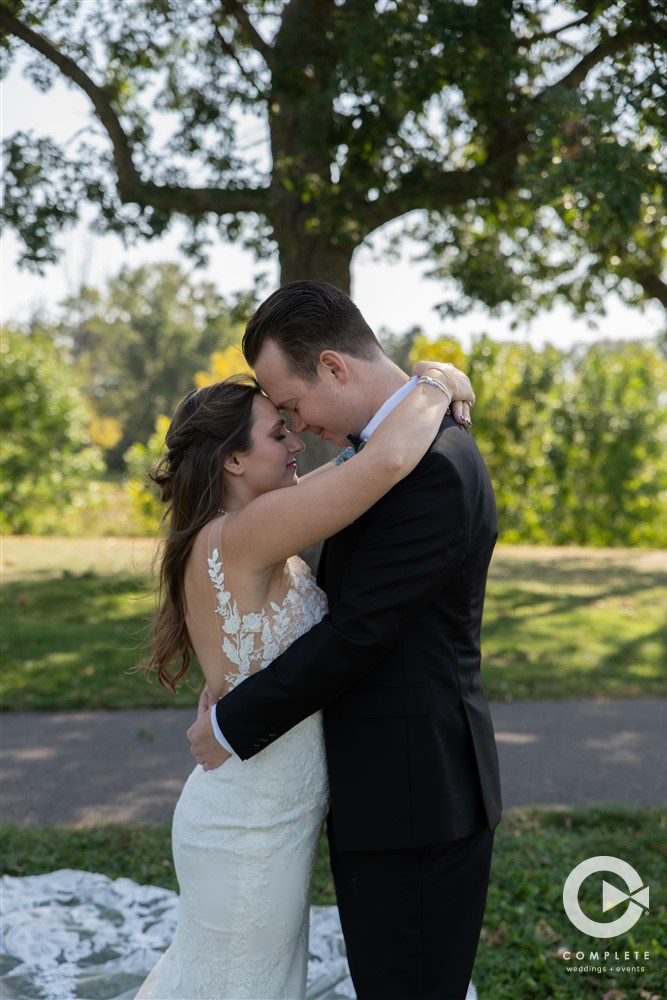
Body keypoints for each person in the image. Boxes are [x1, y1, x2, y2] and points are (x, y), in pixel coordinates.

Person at [188, 279, 502, 1000]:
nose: (297, 428)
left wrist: (234, 724)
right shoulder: (393, 452)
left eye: (292, 406)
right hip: (390, 790)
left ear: (333, 366)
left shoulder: (427, 469)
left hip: (417, 797)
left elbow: (359, 633)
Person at [134, 359, 467, 1000]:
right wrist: (435, 381)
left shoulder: (256, 522)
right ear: (232, 461)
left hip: (275, 818)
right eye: (276, 433)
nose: (296, 441)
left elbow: (351, 467)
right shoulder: (251, 530)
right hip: (248, 828)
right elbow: (383, 463)